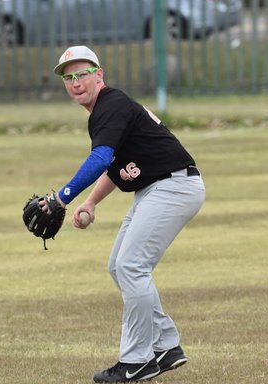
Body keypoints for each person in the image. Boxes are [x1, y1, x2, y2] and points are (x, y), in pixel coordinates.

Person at [47, 45, 205, 383]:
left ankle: (135, 361)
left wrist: (62, 198)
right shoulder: (107, 110)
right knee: (119, 265)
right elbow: (118, 167)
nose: (75, 82)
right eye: (68, 77)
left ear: (99, 75)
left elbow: (101, 158)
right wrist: (90, 202)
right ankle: (165, 346)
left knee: (131, 265)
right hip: (158, 188)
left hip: (174, 187)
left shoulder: (111, 105)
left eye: (82, 74)